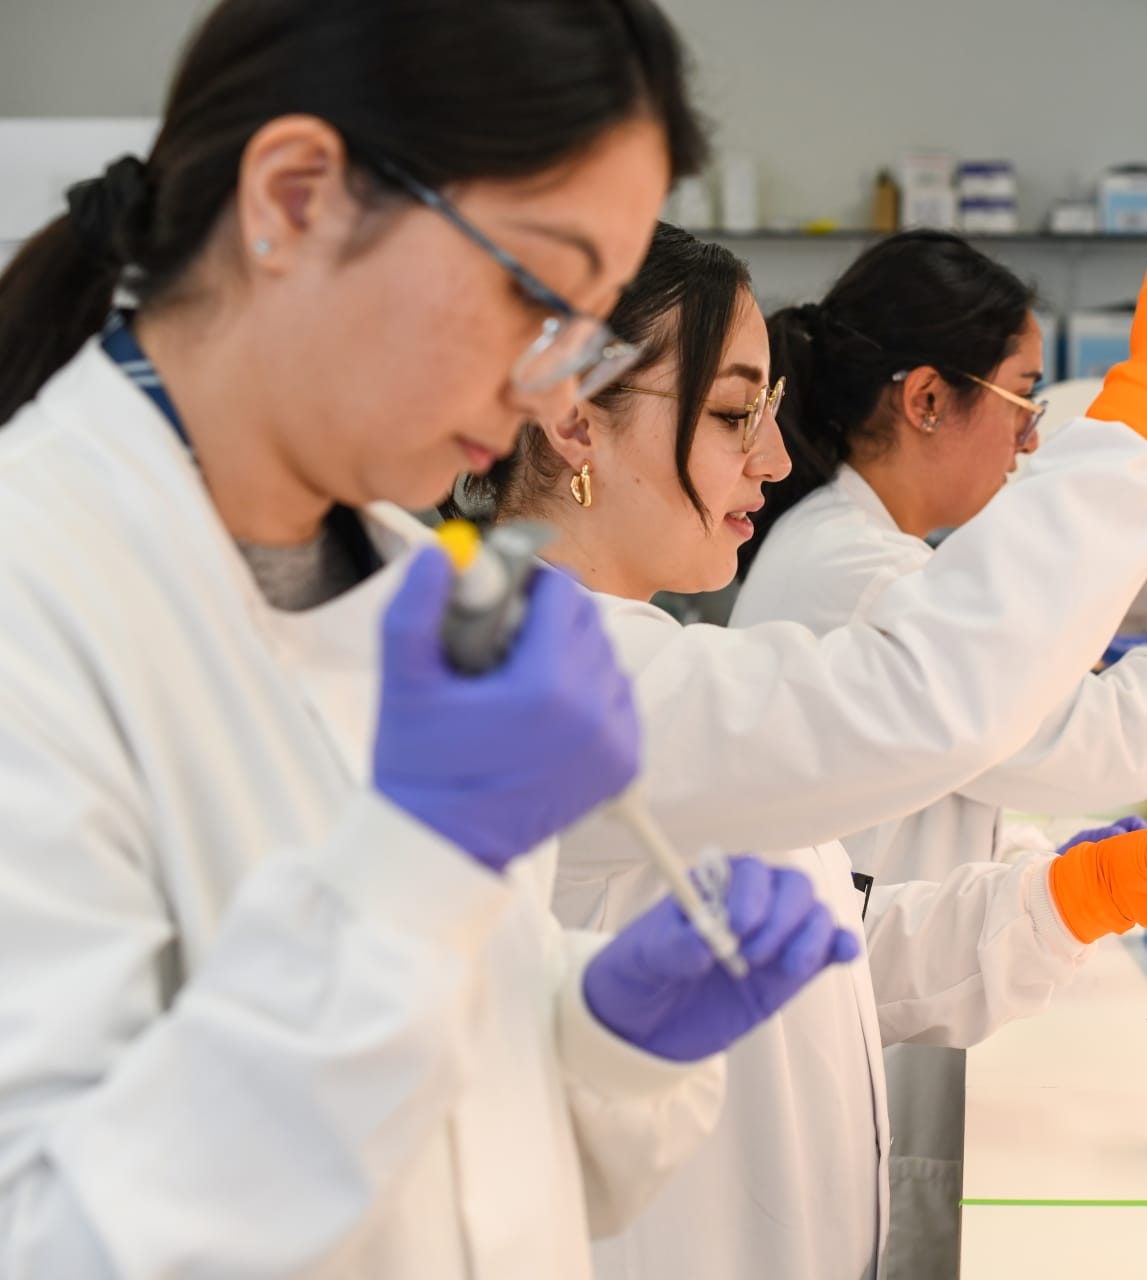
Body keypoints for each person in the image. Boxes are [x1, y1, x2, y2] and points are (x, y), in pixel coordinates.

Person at [0, 3, 855, 1274]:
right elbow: (64, 1242)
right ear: (295, 196)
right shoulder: (37, 597)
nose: (559, 393)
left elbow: (445, 1150)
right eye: (539, 294)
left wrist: (600, 1040)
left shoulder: (409, 577)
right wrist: (419, 862)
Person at [454, 223, 1147, 1280]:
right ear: (573, 419)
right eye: (729, 415)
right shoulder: (533, 687)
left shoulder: (638, 655)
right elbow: (923, 692)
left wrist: (1075, 896)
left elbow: (815, 956)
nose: (775, 455)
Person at [731, 231, 1147, 1274]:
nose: (1033, 439)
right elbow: (1108, 742)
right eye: (1025, 397)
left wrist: (1047, 858)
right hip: (871, 1035)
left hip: (885, 980)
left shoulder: (861, 547)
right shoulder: (857, 573)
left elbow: (984, 750)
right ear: (929, 400)